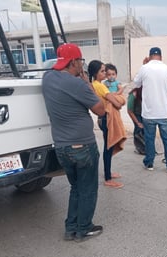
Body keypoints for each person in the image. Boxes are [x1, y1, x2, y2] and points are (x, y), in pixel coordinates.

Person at [42, 43, 105, 242]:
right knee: (87, 188)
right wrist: (87, 83)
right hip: (82, 146)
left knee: (76, 187)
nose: (82, 65)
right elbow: (100, 110)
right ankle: (84, 228)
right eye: (80, 61)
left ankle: (71, 228)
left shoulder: (48, 78)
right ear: (74, 62)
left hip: (61, 146)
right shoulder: (76, 84)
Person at [133, 47, 167, 173]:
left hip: (149, 114)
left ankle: (149, 163)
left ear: (149, 57)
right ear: (161, 57)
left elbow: (136, 84)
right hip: (164, 113)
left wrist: (144, 65)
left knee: (149, 139)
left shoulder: (144, 68)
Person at [88, 60, 127, 189]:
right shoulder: (100, 86)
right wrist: (120, 100)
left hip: (103, 118)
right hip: (106, 119)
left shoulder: (96, 84)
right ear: (95, 73)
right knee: (108, 147)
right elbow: (116, 103)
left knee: (108, 146)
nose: (105, 73)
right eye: (102, 71)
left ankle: (108, 173)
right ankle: (108, 178)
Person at [127, 86, 146, 155]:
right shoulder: (133, 94)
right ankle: (140, 148)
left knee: (145, 130)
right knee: (139, 129)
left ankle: (145, 147)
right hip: (136, 114)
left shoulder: (148, 93)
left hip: (145, 114)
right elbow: (129, 110)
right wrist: (137, 122)